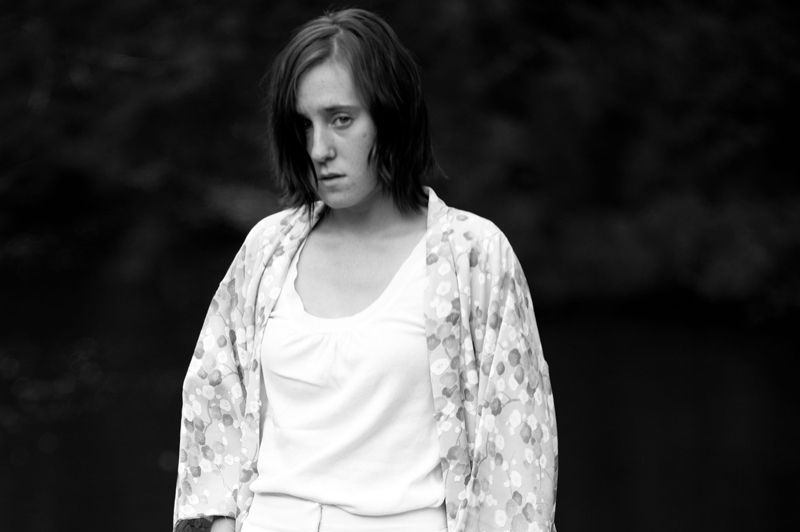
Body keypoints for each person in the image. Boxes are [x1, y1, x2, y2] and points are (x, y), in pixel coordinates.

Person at [173, 8, 557, 532]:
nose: (319, 149)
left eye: (341, 119)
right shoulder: (267, 249)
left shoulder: (472, 255)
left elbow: (517, 457)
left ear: (391, 116)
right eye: (303, 125)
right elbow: (211, 408)